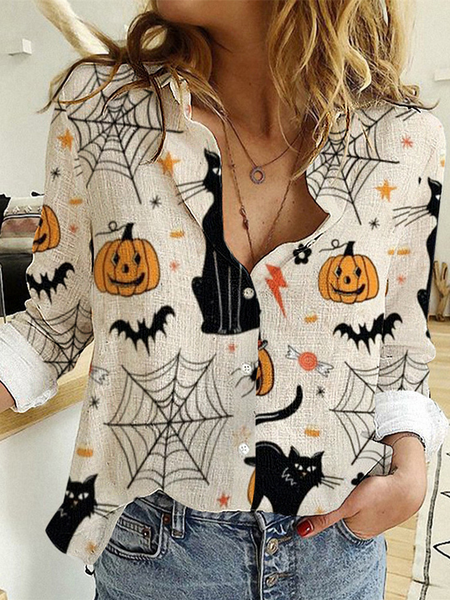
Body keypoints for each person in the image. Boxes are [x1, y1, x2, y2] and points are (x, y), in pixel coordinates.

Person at [0, 0, 448, 598]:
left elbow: (397, 345)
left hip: (337, 548)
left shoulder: (404, 137)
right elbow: (49, 324)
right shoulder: (100, 111)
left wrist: (411, 469)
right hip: (158, 553)